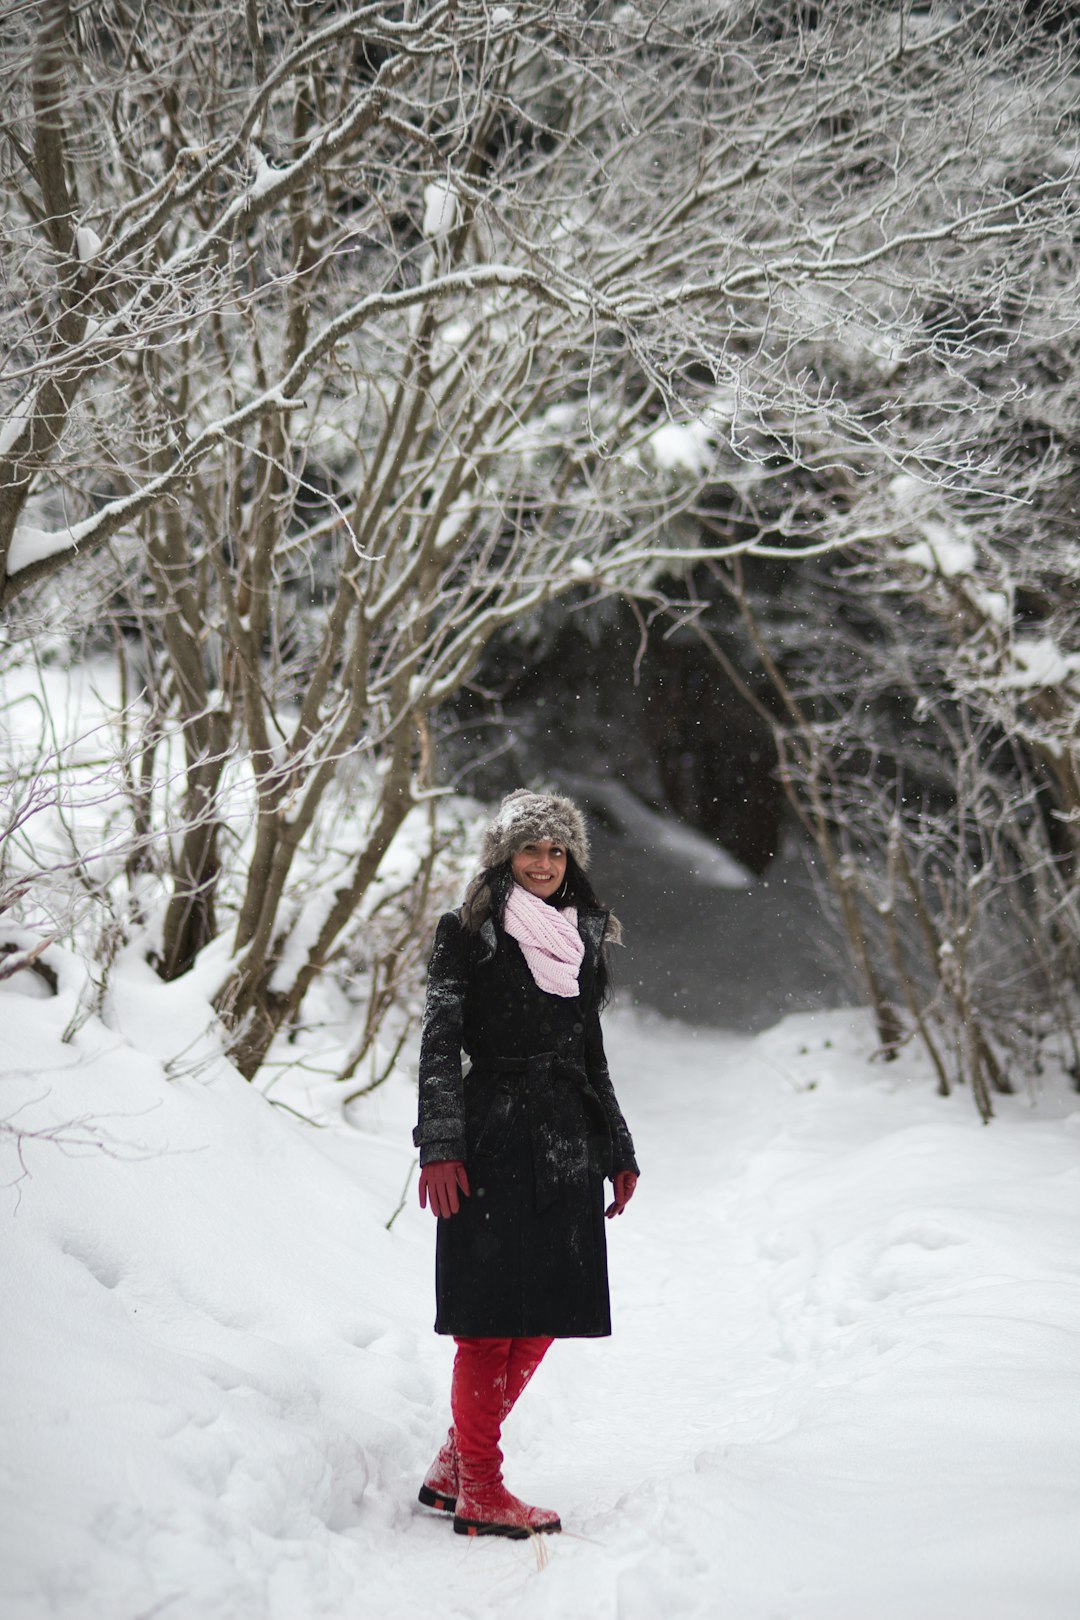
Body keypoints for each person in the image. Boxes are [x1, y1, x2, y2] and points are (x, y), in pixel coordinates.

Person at [413, 788, 640, 1539]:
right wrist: (440, 1146)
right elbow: (440, 1045)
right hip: (493, 1139)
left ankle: (457, 1468)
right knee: (486, 1324)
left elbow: (590, 1054)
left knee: (544, 1313)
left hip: (567, 1140)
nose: (544, 862)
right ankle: (482, 1488)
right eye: (530, 848)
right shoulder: (466, 934)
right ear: (504, 856)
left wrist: (618, 1149)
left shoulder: (583, 933)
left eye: (556, 850)